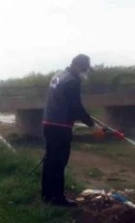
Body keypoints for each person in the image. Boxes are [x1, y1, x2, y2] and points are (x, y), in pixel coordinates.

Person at [41, 54, 101, 207]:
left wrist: (87, 118)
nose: (84, 72)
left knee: (50, 161)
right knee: (59, 162)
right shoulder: (72, 81)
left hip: (49, 123)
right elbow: (76, 108)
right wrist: (92, 125)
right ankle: (57, 198)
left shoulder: (59, 75)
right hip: (60, 126)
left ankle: (47, 195)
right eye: (83, 69)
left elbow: (67, 103)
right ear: (76, 66)